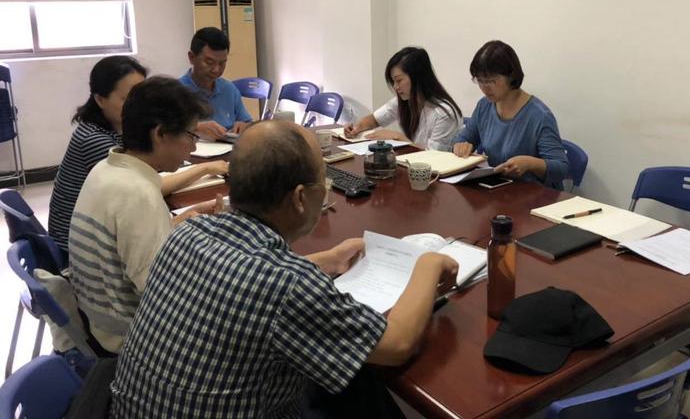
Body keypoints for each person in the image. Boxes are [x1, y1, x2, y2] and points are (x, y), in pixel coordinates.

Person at [110, 121, 459, 418]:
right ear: (300, 198)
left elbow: (244, 278)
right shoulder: (288, 286)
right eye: (323, 181)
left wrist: (325, 260)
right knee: (358, 383)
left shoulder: (188, 232)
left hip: (132, 409)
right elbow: (396, 344)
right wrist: (427, 263)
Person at [69, 77, 221, 354]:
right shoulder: (138, 195)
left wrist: (175, 222)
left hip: (97, 321)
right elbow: (163, 295)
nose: (193, 148)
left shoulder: (105, 169)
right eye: (191, 136)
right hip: (128, 340)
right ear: (160, 134)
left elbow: (124, 246)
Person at [48, 56, 228, 257]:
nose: (142, 105)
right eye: (130, 97)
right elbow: (149, 270)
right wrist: (205, 168)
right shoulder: (97, 143)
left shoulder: (111, 153)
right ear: (100, 99)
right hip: (68, 250)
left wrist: (180, 220)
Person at [453, 40, 568, 188]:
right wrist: (460, 146)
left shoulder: (540, 116)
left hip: (533, 193)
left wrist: (530, 163)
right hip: (498, 188)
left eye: (491, 81)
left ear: (511, 76)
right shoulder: (484, 106)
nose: (484, 88)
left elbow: (561, 168)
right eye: (480, 80)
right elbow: (463, 138)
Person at [344, 47, 462, 150]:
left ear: (417, 77)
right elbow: (374, 119)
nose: (395, 87)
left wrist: (398, 137)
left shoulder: (444, 113)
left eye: (399, 80)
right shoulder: (404, 101)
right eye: (393, 82)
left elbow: (434, 156)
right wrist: (356, 128)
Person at [179, 27, 252, 140]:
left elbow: (247, 121)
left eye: (222, 63)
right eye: (209, 62)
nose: (216, 70)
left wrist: (244, 126)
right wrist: (196, 127)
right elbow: (162, 130)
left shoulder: (229, 89)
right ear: (191, 57)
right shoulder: (175, 92)